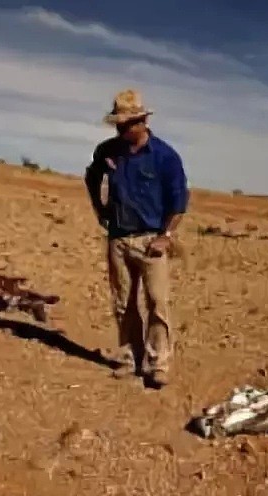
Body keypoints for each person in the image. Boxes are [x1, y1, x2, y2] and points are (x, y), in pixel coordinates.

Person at [84, 88, 188, 389]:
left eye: (127, 123)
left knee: (157, 302)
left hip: (150, 241)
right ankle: (131, 356)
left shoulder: (165, 157)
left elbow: (178, 201)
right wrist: (100, 209)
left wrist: (166, 236)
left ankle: (158, 363)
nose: (121, 129)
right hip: (118, 238)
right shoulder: (107, 151)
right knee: (123, 303)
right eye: (118, 124)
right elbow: (92, 177)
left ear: (142, 122)